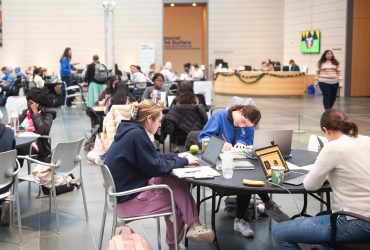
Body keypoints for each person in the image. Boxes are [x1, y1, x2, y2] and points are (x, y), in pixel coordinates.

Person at [104, 100, 215, 249]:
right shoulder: (137, 135)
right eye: (159, 121)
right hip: (127, 202)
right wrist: (182, 160)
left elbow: (153, 159)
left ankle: (191, 227)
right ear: (149, 119)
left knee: (172, 181)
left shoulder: (129, 130)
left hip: (120, 195)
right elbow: (156, 167)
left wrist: (179, 157)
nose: (160, 125)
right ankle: (182, 236)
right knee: (177, 200)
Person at [273, 109, 370, 249]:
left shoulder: (333, 147)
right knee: (320, 215)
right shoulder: (366, 140)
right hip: (365, 216)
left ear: (325, 130)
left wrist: (325, 174)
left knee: (279, 232)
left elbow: (310, 185)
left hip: (356, 222)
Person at [199, 105, 289, 237]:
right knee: (246, 180)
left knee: (256, 173)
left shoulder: (246, 126)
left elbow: (250, 141)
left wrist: (242, 142)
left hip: (241, 162)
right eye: (243, 122)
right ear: (240, 111)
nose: (242, 126)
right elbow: (203, 138)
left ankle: (247, 216)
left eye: (246, 126)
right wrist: (220, 143)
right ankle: (265, 207)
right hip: (221, 163)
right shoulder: (219, 116)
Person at [160, 81, 208, 151]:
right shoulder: (198, 100)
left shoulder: (176, 101)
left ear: (179, 90)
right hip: (196, 132)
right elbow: (204, 115)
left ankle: (174, 148)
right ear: (192, 89)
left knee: (174, 125)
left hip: (179, 133)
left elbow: (170, 116)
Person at [18, 88, 56, 162]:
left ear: (38, 104)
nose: (28, 105)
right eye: (27, 102)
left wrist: (35, 112)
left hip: (38, 146)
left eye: (30, 103)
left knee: (13, 148)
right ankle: (11, 170)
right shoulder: (25, 113)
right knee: (9, 146)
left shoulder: (48, 114)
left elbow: (42, 131)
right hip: (22, 142)